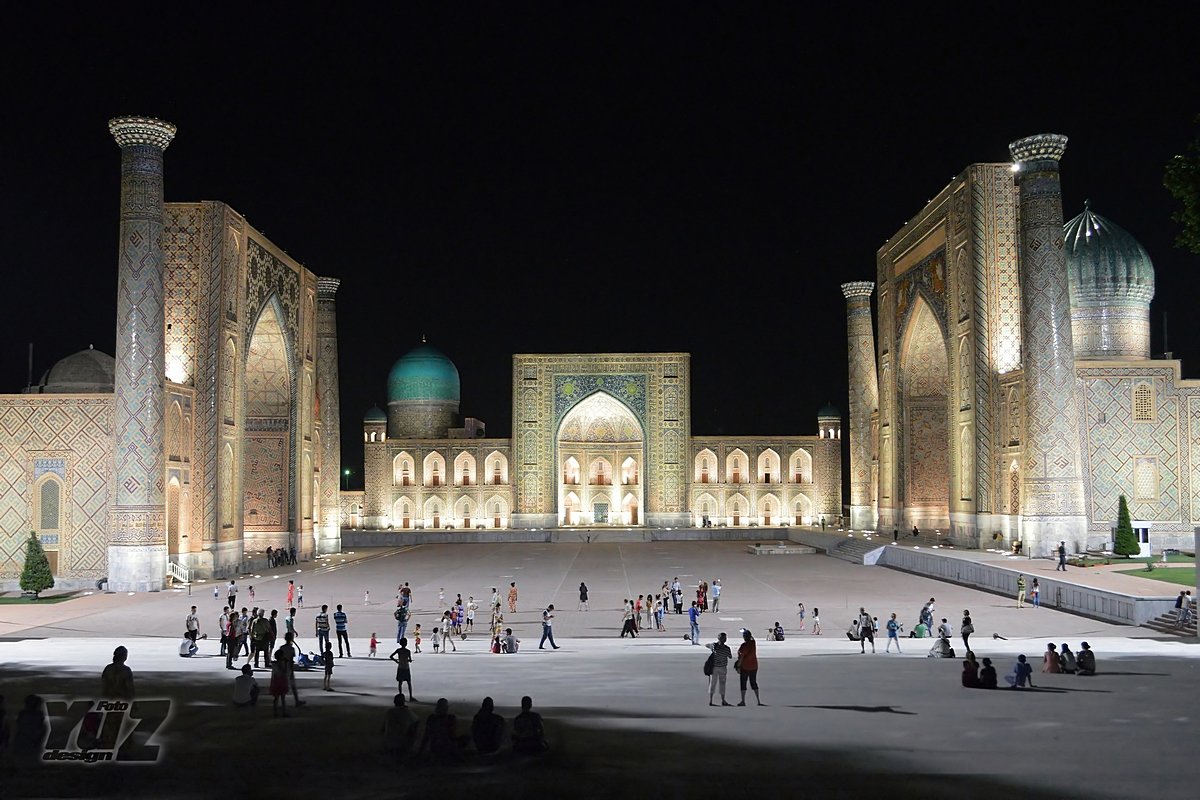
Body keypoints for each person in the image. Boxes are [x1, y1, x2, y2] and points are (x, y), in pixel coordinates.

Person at [12, 695, 48, 768]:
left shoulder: (22, 714)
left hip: (25, 738)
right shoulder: (38, 714)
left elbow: (19, 726)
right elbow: (41, 727)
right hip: (32, 738)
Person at [382, 694, 420, 758]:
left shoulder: (389, 712)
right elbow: (416, 721)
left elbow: (383, 728)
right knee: (414, 726)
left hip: (389, 743)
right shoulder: (406, 711)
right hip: (402, 743)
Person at [705, 631, 734, 706]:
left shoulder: (714, 646)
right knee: (722, 684)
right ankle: (723, 700)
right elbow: (730, 656)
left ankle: (711, 700)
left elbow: (706, 645)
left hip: (714, 667)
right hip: (723, 668)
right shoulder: (727, 648)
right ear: (725, 639)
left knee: (712, 684)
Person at [735, 629, 763, 706]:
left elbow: (741, 657)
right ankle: (758, 700)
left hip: (745, 666)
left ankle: (743, 700)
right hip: (754, 666)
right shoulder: (753, 643)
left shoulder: (744, 646)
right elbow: (752, 638)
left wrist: (738, 666)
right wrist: (748, 632)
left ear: (744, 637)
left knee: (743, 683)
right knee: (753, 682)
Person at [270, 647, 291, 716]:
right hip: (282, 681)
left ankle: (275, 712)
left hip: (275, 681)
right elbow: (284, 672)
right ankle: (284, 712)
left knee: (276, 698)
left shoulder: (274, 664)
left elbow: (273, 675)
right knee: (282, 698)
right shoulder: (282, 663)